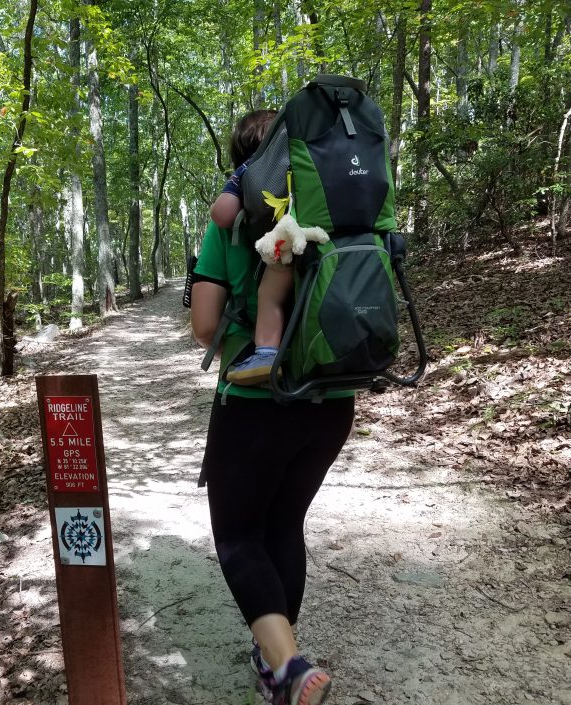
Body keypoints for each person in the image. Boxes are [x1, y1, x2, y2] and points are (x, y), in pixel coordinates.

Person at [191, 110, 354, 705]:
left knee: (238, 535)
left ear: (242, 163)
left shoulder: (230, 224)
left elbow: (204, 327)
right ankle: (273, 656)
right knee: (284, 523)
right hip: (333, 401)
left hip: (255, 401)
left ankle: (286, 668)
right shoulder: (338, 212)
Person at [209, 116, 294, 386]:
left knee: (269, 295)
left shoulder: (252, 167)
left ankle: (266, 354)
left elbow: (222, 215)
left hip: (285, 246)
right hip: (334, 395)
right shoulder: (314, 163)